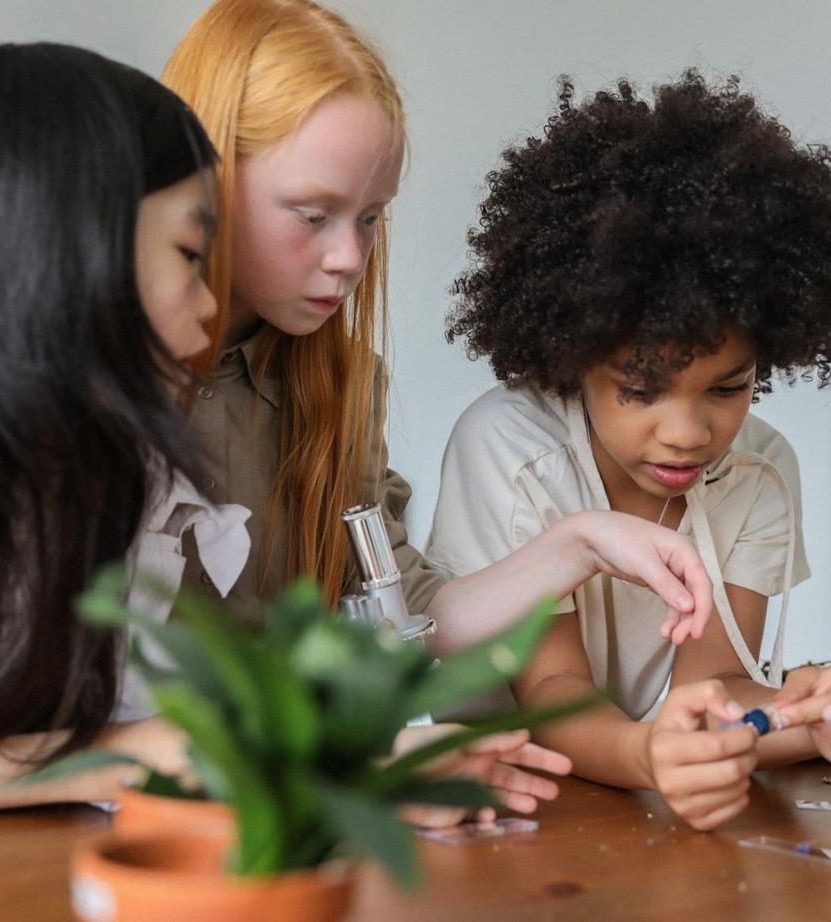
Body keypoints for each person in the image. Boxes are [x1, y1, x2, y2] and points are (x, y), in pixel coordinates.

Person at [0, 42, 555, 833]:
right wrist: (131, 756)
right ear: (61, 258)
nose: (210, 305)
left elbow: (162, 734)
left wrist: (347, 773)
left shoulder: (123, 481)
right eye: (188, 256)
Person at [163, 0, 717, 659]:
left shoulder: (343, 382)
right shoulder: (87, 376)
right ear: (211, 179)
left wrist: (582, 543)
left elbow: (402, 618)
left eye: (371, 218)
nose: (349, 257)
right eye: (314, 215)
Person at [429, 73, 831, 831]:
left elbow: (715, 680)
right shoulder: (510, 447)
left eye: (729, 388)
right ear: (573, 352)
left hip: (637, 807)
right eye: (642, 388)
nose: (689, 433)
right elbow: (552, 687)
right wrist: (649, 755)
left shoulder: (761, 471)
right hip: (501, 803)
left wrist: (811, 712)